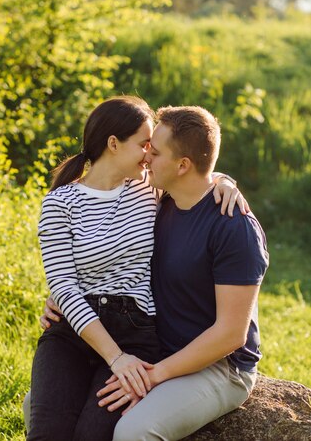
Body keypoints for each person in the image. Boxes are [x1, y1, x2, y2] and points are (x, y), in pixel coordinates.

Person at [25, 96, 245, 441]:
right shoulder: (59, 203)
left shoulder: (148, 189)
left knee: (92, 435)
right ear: (113, 144)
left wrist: (227, 182)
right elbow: (64, 287)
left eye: (152, 148)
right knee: (48, 432)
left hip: (135, 331)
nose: (149, 155)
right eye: (144, 145)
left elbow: (193, 173)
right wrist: (116, 359)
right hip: (75, 332)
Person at [95, 106, 269, 441]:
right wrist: (61, 295)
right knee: (41, 405)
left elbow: (231, 335)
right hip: (156, 347)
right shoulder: (159, 199)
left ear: (183, 165)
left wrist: (155, 375)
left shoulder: (234, 228)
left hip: (220, 367)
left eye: (155, 152)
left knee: (134, 432)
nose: (145, 158)